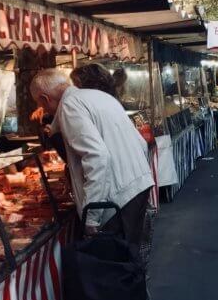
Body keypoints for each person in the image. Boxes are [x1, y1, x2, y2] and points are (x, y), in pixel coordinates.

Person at [30, 69, 153, 243]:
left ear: (45, 98)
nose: (42, 109)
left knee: (113, 265)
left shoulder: (69, 106)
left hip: (116, 200)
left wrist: (92, 215)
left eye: (40, 104)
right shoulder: (98, 96)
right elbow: (141, 143)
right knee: (130, 259)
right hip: (137, 187)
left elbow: (98, 157)